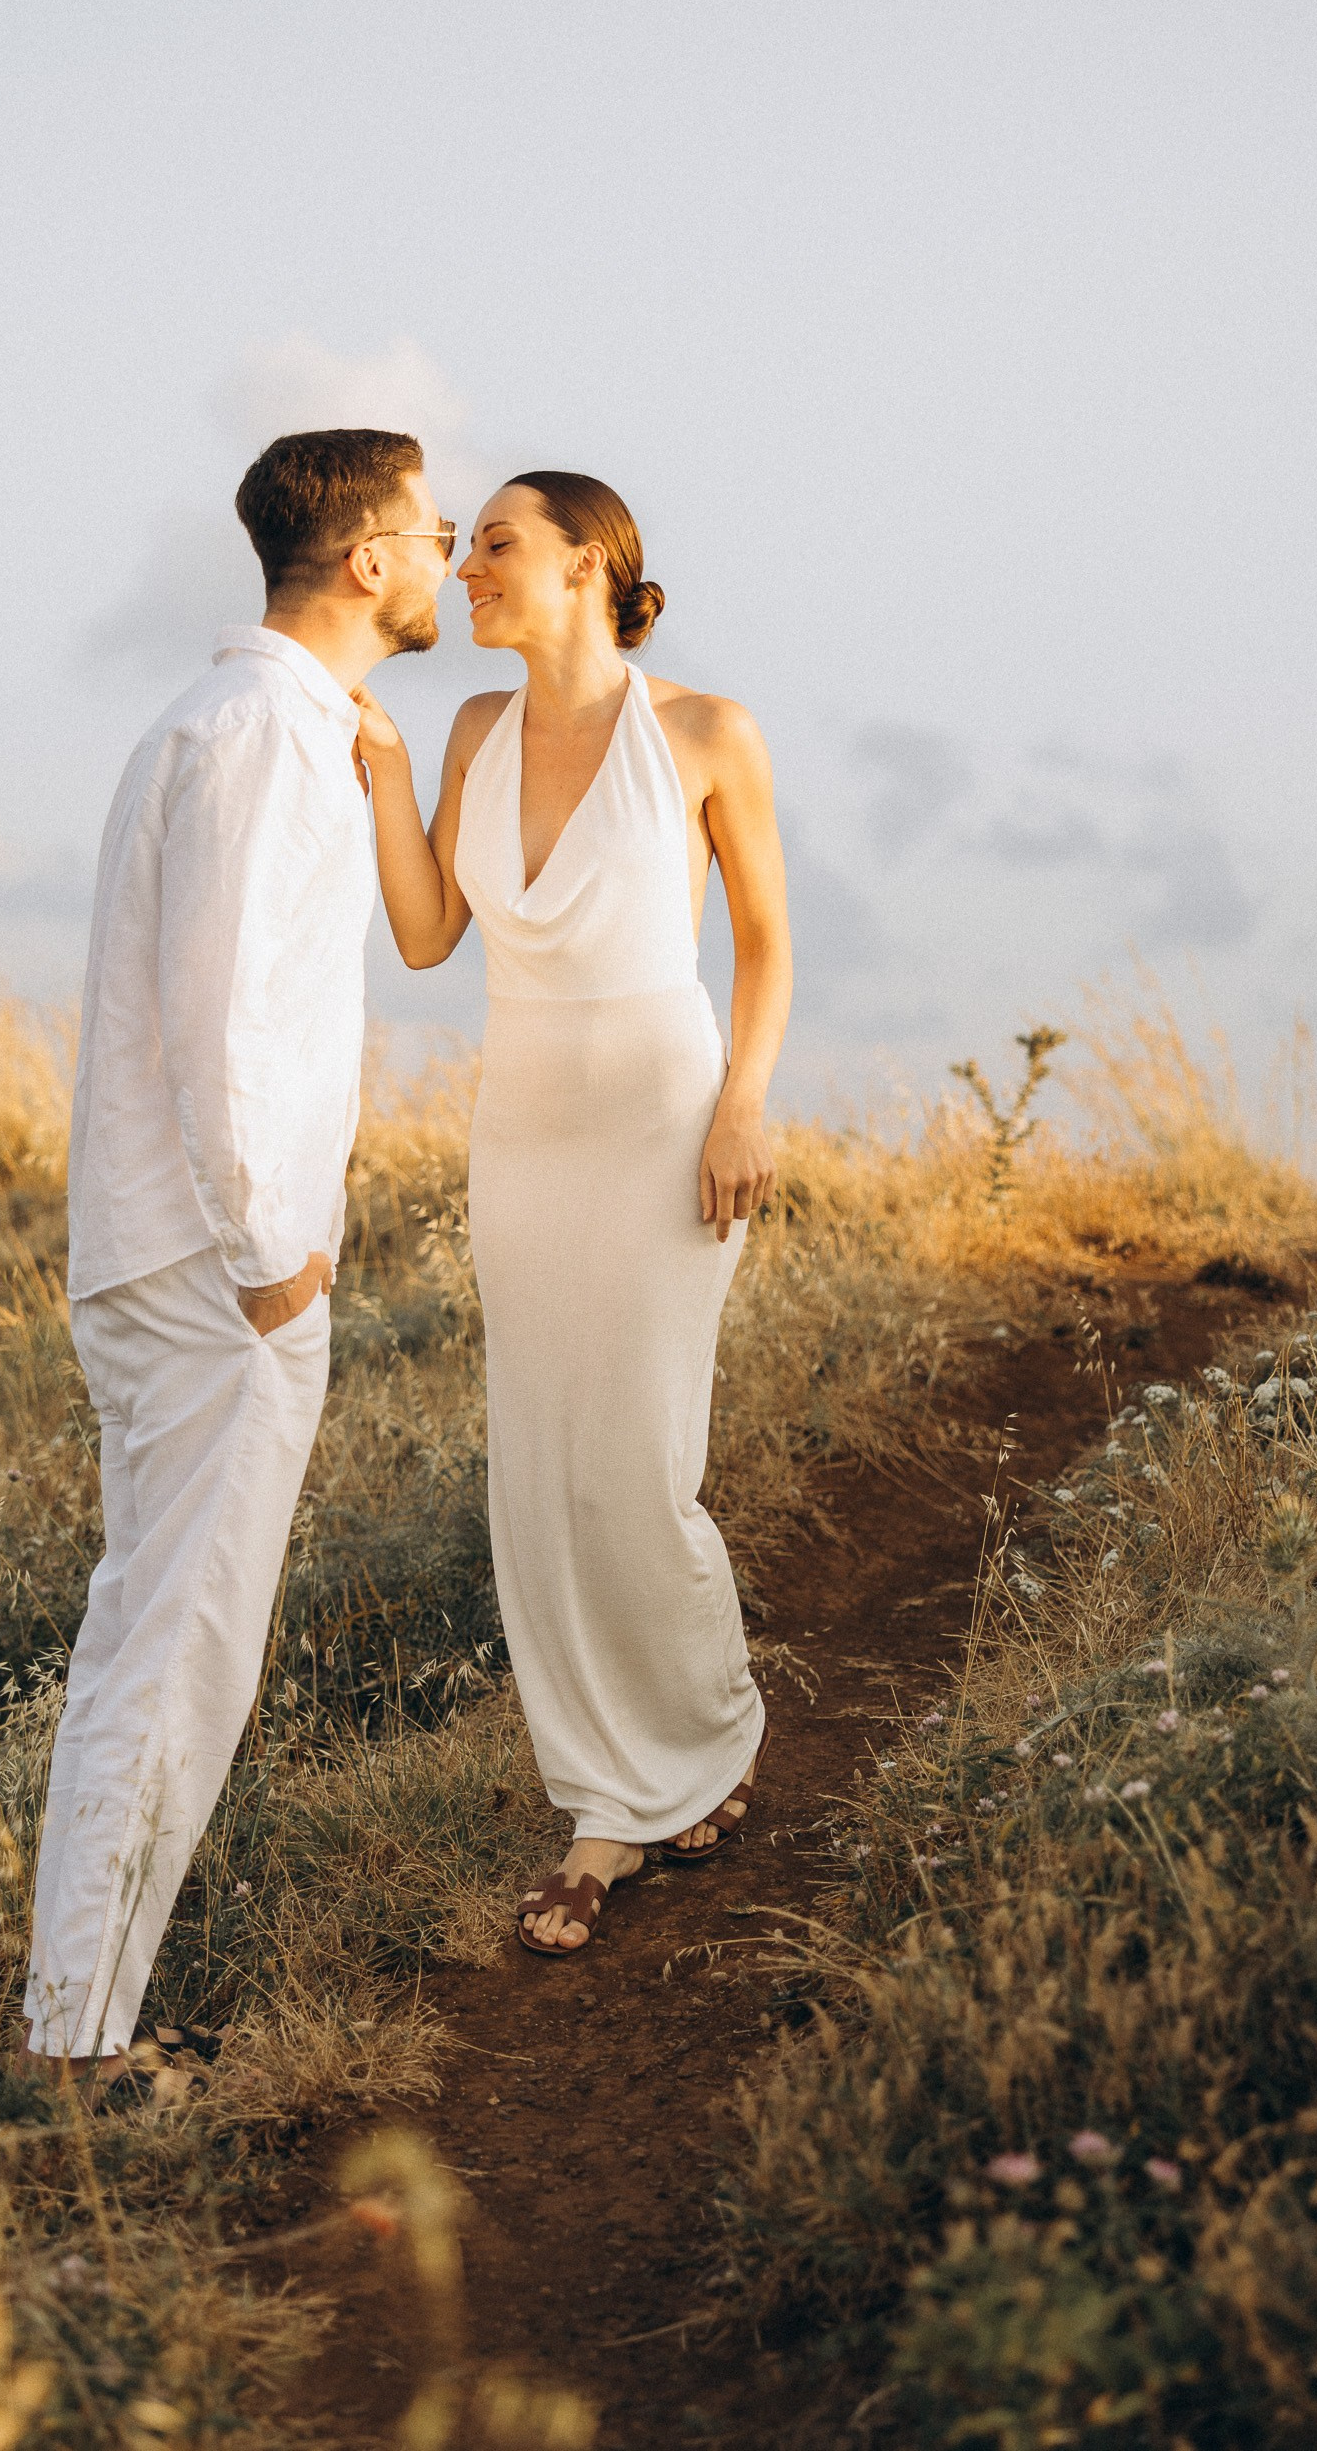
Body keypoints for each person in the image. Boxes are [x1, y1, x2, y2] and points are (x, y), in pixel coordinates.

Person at [23, 429, 454, 2074]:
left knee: (147, 1641)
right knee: (181, 1657)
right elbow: (223, 1021)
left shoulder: (227, 722)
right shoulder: (267, 735)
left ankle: (73, 2019)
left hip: (163, 1255)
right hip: (219, 1272)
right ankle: (72, 2053)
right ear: (363, 562)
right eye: (425, 534)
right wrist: (274, 1250)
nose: (437, 558)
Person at [355, 473, 792, 1956]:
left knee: (638, 1468)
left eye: (495, 544)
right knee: (540, 1471)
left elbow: (768, 944)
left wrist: (741, 1106)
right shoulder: (471, 731)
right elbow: (424, 939)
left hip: (666, 1126)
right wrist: (372, 767)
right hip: (523, 1139)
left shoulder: (707, 736)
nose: (465, 566)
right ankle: (612, 1801)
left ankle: (704, 1735)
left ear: (588, 565)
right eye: (464, 544)